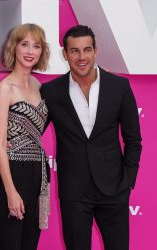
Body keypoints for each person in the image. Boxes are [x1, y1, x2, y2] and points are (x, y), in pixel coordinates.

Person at [41, 25, 142, 250]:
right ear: (65, 54)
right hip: (74, 191)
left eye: (87, 50)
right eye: (74, 51)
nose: (82, 57)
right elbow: (32, 129)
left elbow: (134, 139)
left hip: (114, 188)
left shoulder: (119, 86)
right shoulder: (51, 92)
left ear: (96, 51)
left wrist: (127, 182)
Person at [0, 23, 50, 250]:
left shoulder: (38, 85)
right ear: (14, 47)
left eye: (36, 46)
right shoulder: (4, 87)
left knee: (29, 245)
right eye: (24, 44)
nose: (30, 51)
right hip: (12, 171)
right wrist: (10, 191)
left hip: (37, 174)